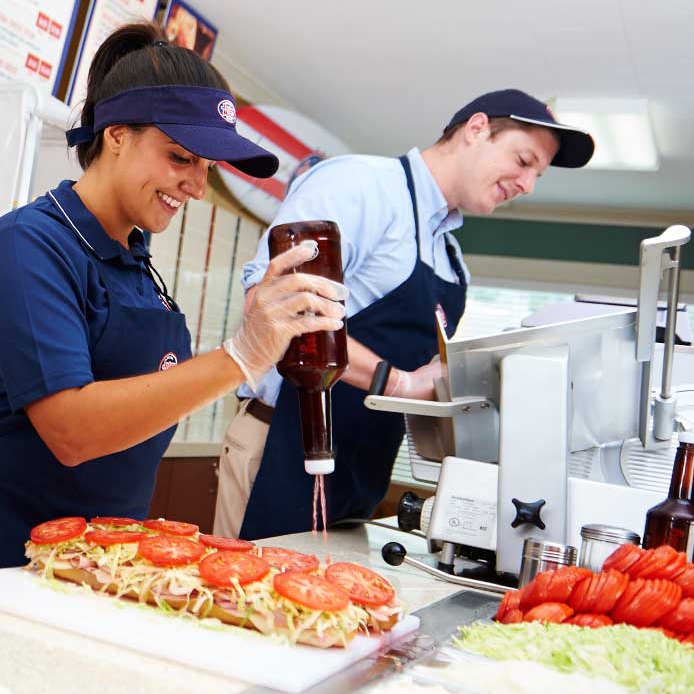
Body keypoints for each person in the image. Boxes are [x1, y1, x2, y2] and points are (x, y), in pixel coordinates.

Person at [0, 23, 349, 593]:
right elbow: (71, 430)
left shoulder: (138, 266)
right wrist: (241, 356)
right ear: (116, 135)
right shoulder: (30, 245)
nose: (195, 185)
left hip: (96, 557)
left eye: (207, 168)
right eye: (180, 157)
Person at [213, 89, 595, 541]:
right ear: (476, 130)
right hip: (282, 453)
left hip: (360, 478)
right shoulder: (360, 185)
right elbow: (273, 304)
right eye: (524, 160)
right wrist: (399, 384)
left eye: (538, 175)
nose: (527, 184)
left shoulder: (451, 258)